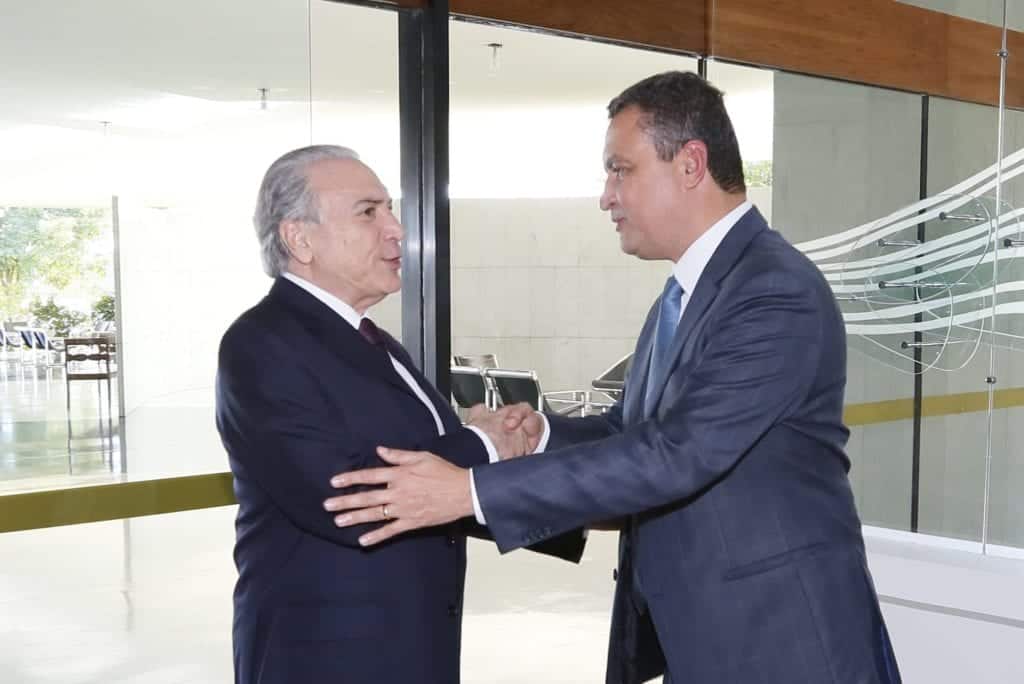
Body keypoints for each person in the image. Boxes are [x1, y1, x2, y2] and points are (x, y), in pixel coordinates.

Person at [323, 73, 902, 683]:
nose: (606, 196)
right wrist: (540, 434)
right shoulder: (683, 296)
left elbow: (679, 453)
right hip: (707, 637)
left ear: (690, 164)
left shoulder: (774, 291)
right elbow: (631, 431)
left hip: (784, 643)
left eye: (620, 170)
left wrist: (468, 492)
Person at [215, 145, 581, 684]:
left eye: (389, 208)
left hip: (411, 646)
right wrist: (483, 443)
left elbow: (439, 482)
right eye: (369, 212)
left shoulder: (376, 342)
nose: (396, 230)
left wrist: (517, 457)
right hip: (327, 659)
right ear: (299, 238)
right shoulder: (262, 344)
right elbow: (349, 499)